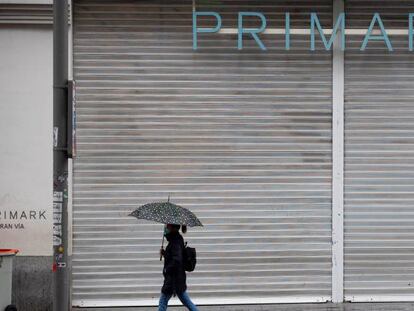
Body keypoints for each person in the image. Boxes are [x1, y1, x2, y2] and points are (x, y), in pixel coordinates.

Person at [158, 224, 199, 311]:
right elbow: (174, 256)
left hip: (173, 279)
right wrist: (164, 253)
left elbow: (176, 260)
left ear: (173, 228)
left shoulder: (175, 241)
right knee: (187, 302)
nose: (166, 228)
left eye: (167, 226)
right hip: (177, 278)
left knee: (162, 302)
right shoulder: (175, 239)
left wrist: (167, 269)